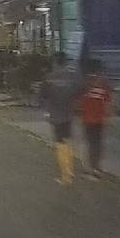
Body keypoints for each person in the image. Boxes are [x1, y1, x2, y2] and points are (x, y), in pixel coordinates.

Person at [41, 52, 81, 184]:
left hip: (56, 114)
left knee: (60, 143)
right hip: (69, 113)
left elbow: (44, 95)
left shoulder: (49, 77)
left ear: (55, 62)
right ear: (65, 62)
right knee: (67, 141)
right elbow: (79, 92)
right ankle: (70, 169)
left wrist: (46, 110)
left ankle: (66, 175)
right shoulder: (72, 77)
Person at [78, 59, 114, 179]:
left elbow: (80, 102)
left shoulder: (85, 84)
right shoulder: (104, 84)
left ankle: (88, 169)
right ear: (99, 70)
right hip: (99, 119)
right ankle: (96, 168)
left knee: (88, 143)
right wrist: (108, 117)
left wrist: (79, 114)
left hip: (87, 119)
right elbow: (108, 102)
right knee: (97, 144)